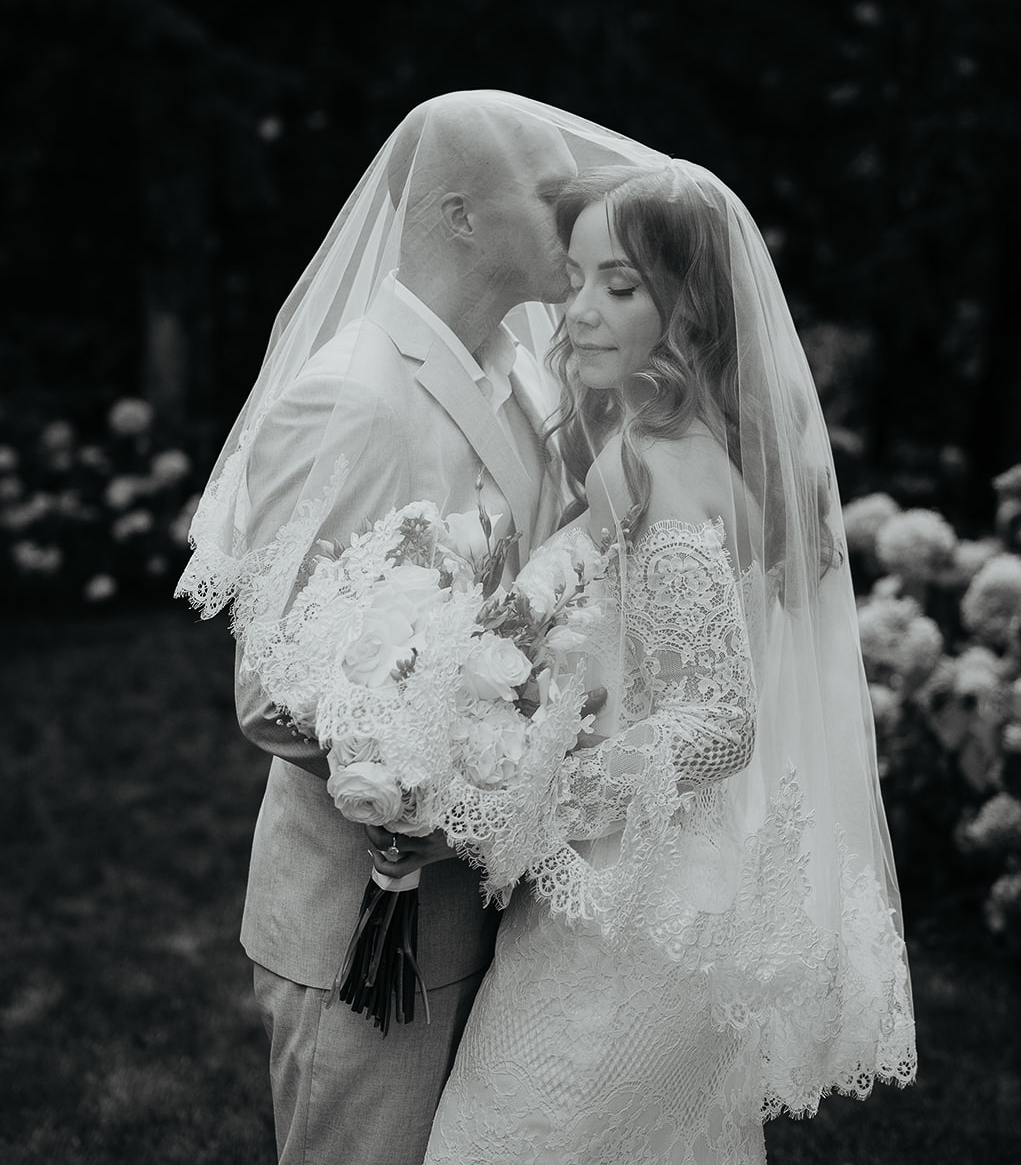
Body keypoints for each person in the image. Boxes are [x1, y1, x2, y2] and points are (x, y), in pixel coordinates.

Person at [176, 93, 664, 1165]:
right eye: (549, 200)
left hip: (486, 901)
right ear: (456, 215)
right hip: (365, 917)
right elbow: (271, 688)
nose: (578, 219)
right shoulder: (348, 401)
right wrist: (457, 794)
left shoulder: (526, 368)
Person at [422, 160, 917, 1164]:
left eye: (623, 284)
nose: (584, 312)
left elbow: (718, 722)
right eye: (577, 278)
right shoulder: (687, 447)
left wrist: (538, 788)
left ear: (686, 303)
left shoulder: (652, 462)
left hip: (627, 904)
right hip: (677, 882)